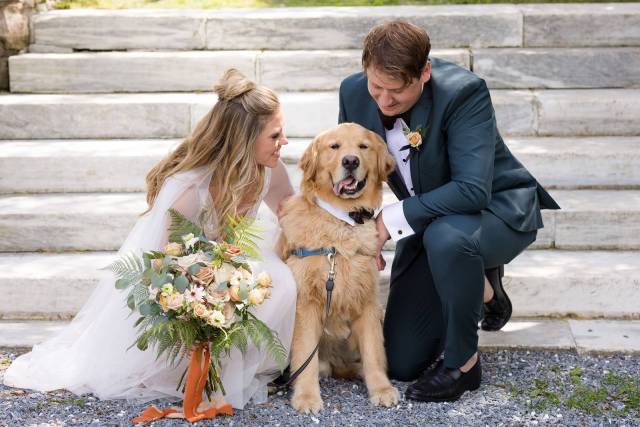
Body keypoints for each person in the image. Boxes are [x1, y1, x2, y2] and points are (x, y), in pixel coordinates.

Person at [3, 69, 298, 409]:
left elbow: (292, 212)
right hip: (184, 280)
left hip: (230, 265)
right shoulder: (188, 193)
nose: (285, 142)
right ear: (243, 141)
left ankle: (253, 363)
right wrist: (207, 298)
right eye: (275, 135)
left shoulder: (269, 170)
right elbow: (166, 268)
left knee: (279, 280)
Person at [338, 21, 560, 402]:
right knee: (403, 363)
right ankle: (486, 289)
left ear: (424, 73)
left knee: (448, 238)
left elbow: (473, 190)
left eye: (397, 90)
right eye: (377, 87)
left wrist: (388, 222)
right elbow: (359, 169)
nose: (384, 101)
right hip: (430, 219)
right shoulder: (353, 92)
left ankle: (463, 364)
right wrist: (360, 233)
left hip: (496, 211)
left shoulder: (464, 92)